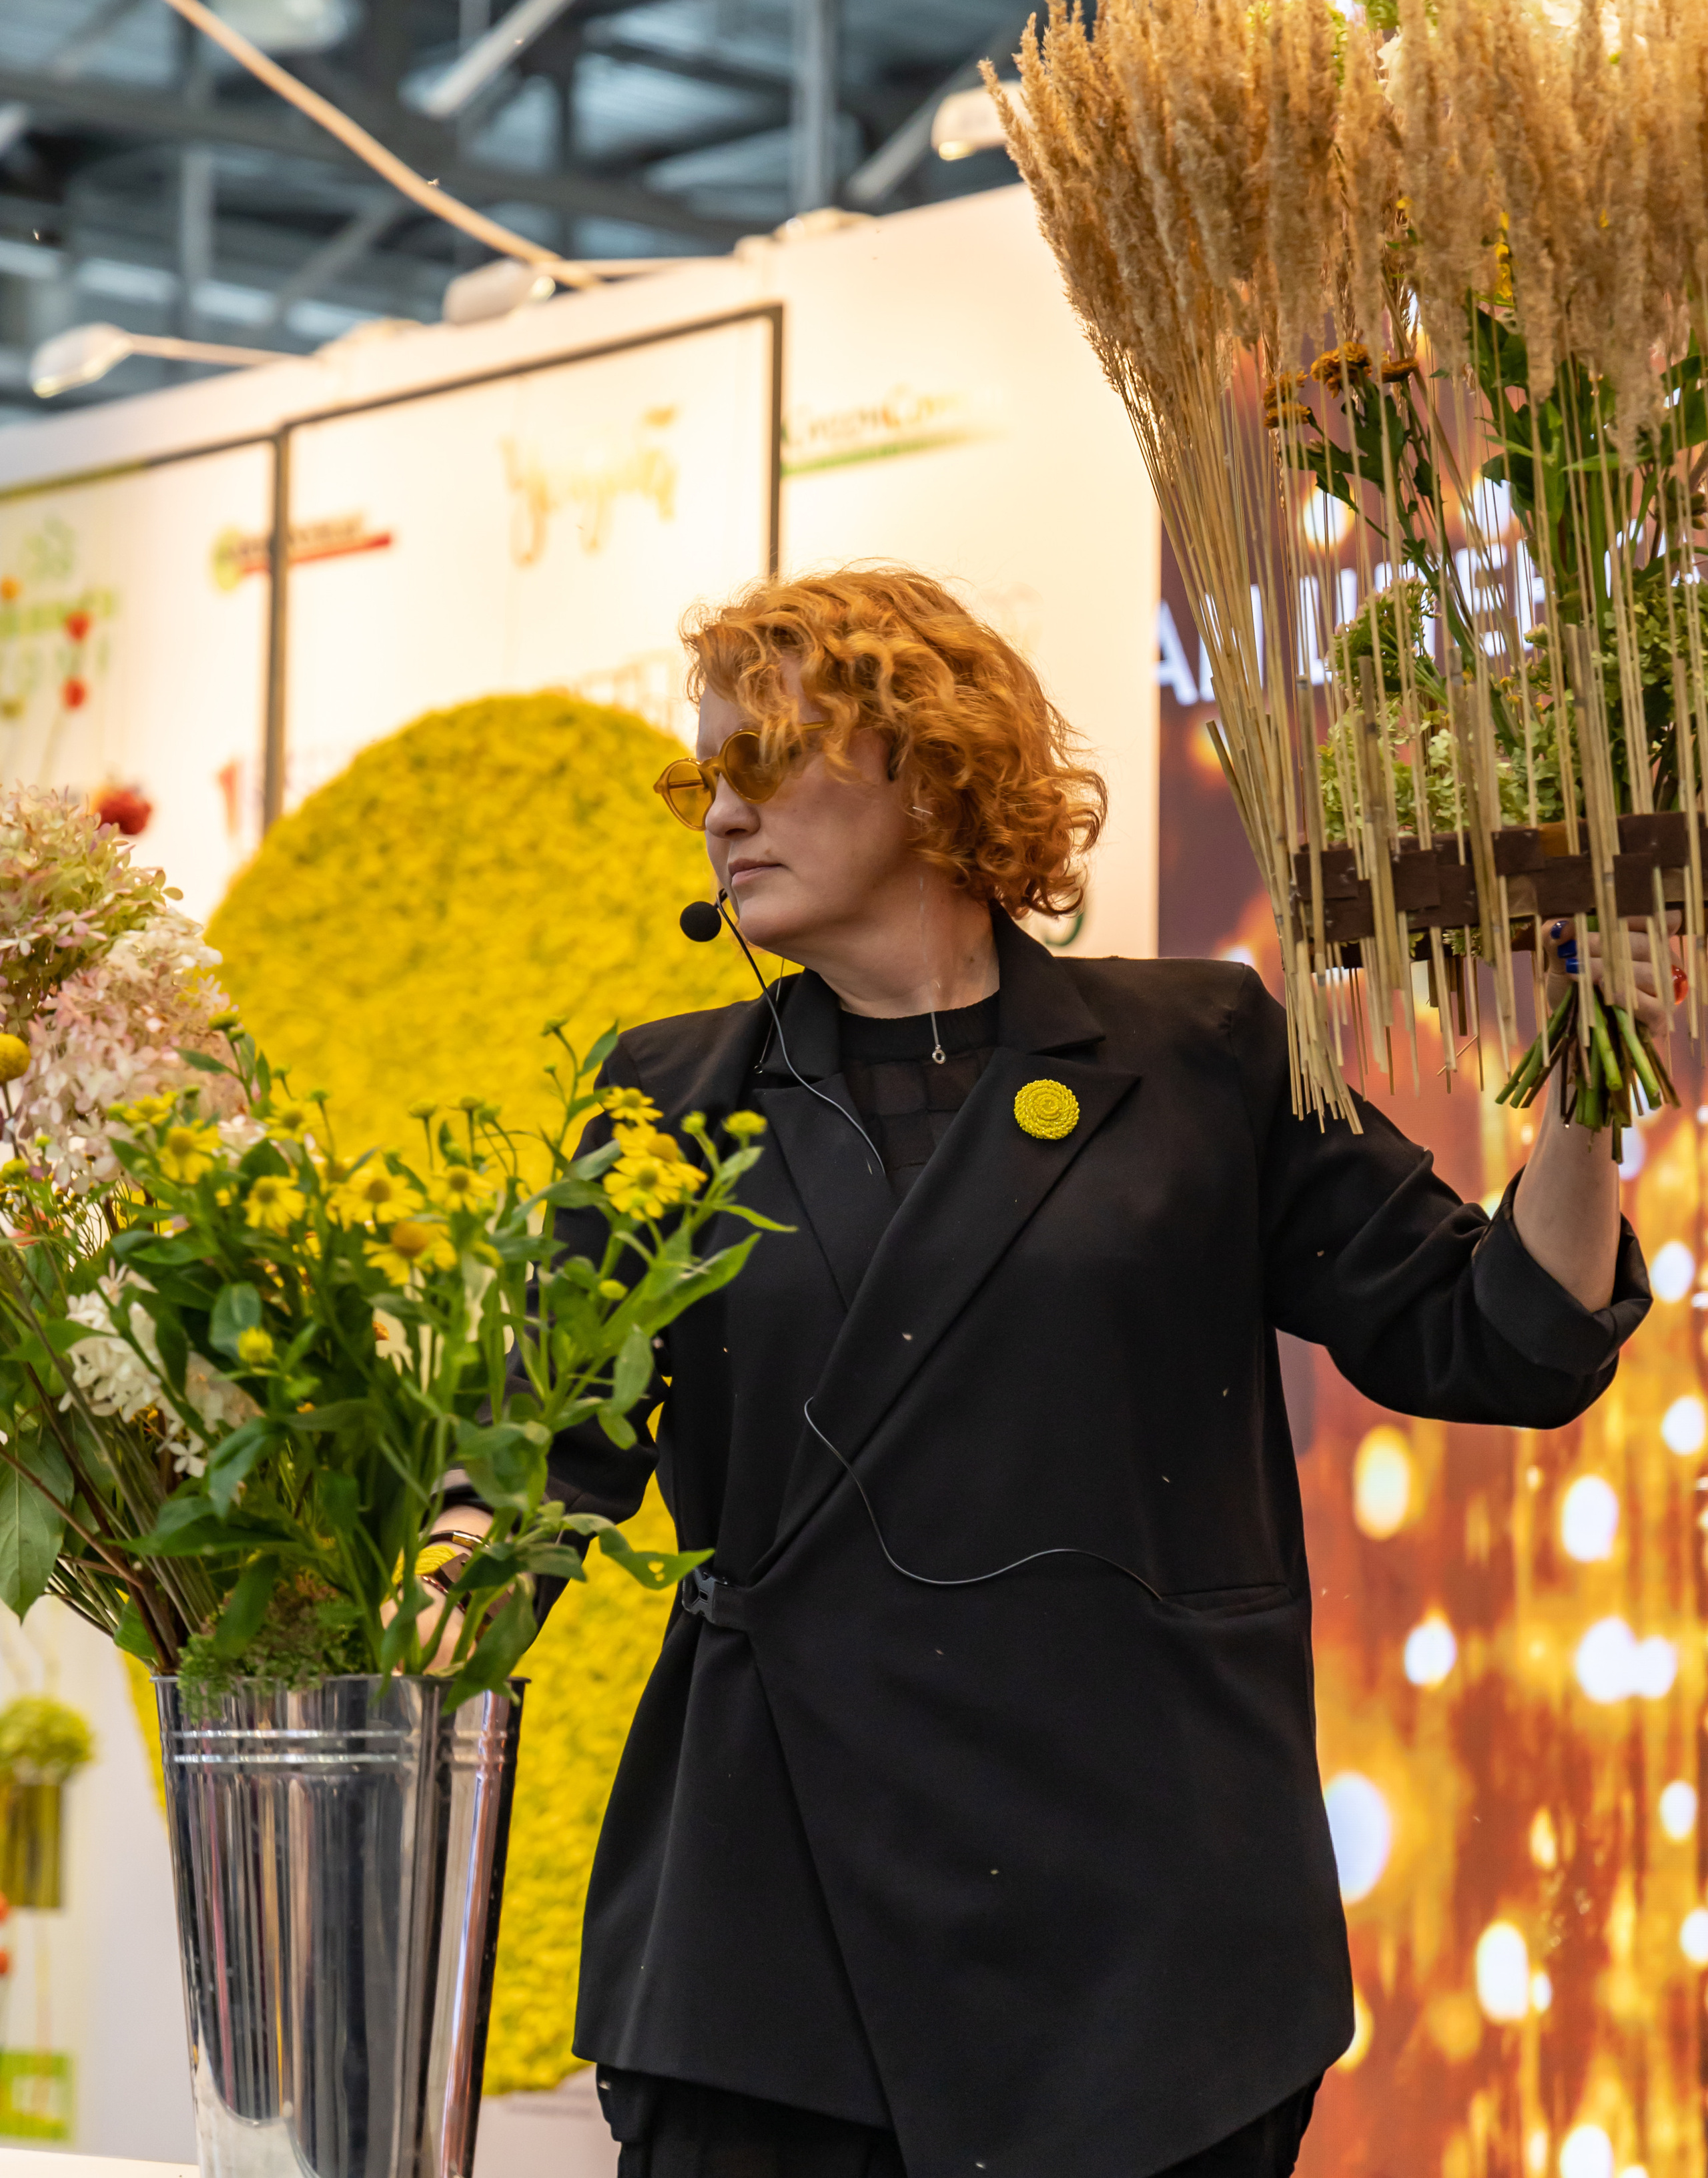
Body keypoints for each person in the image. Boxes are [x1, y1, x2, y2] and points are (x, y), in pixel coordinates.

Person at [456, 568, 1653, 2178]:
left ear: (929, 764)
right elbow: (531, 1473)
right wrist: (352, 1626)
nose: (719, 817)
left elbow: (1493, 1339)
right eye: (701, 775)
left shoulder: (1201, 1053)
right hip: (771, 1936)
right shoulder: (663, 1092)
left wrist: (1588, 1091)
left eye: (764, 760)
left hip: (1143, 1937)